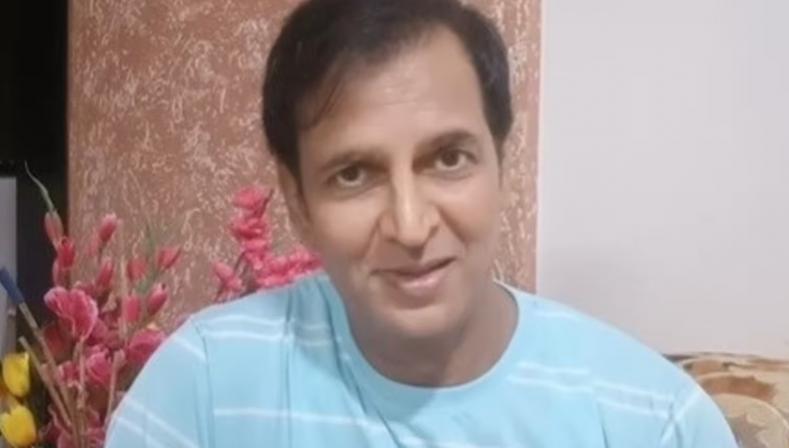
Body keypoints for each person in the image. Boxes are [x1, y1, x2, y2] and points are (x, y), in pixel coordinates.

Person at [105, 0, 737, 446]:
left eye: (449, 159)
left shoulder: (655, 421)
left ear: (502, 163)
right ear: (297, 203)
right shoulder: (204, 387)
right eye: (354, 174)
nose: (409, 227)